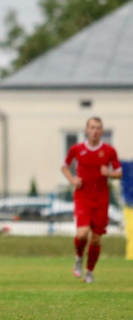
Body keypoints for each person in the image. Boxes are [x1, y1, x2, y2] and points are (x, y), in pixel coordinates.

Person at [61, 117, 121, 283]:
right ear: (86, 130)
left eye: (98, 128)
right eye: (92, 127)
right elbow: (64, 166)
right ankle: (79, 258)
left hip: (101, 199)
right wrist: (73, 180)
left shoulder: (109, 151)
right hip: (83, 197)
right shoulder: (77, 149)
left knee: (95, 239)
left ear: (102, 131)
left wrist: (108, 173)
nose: (95, 131)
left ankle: (89, 271)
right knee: (82, 234)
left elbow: (119, 172)